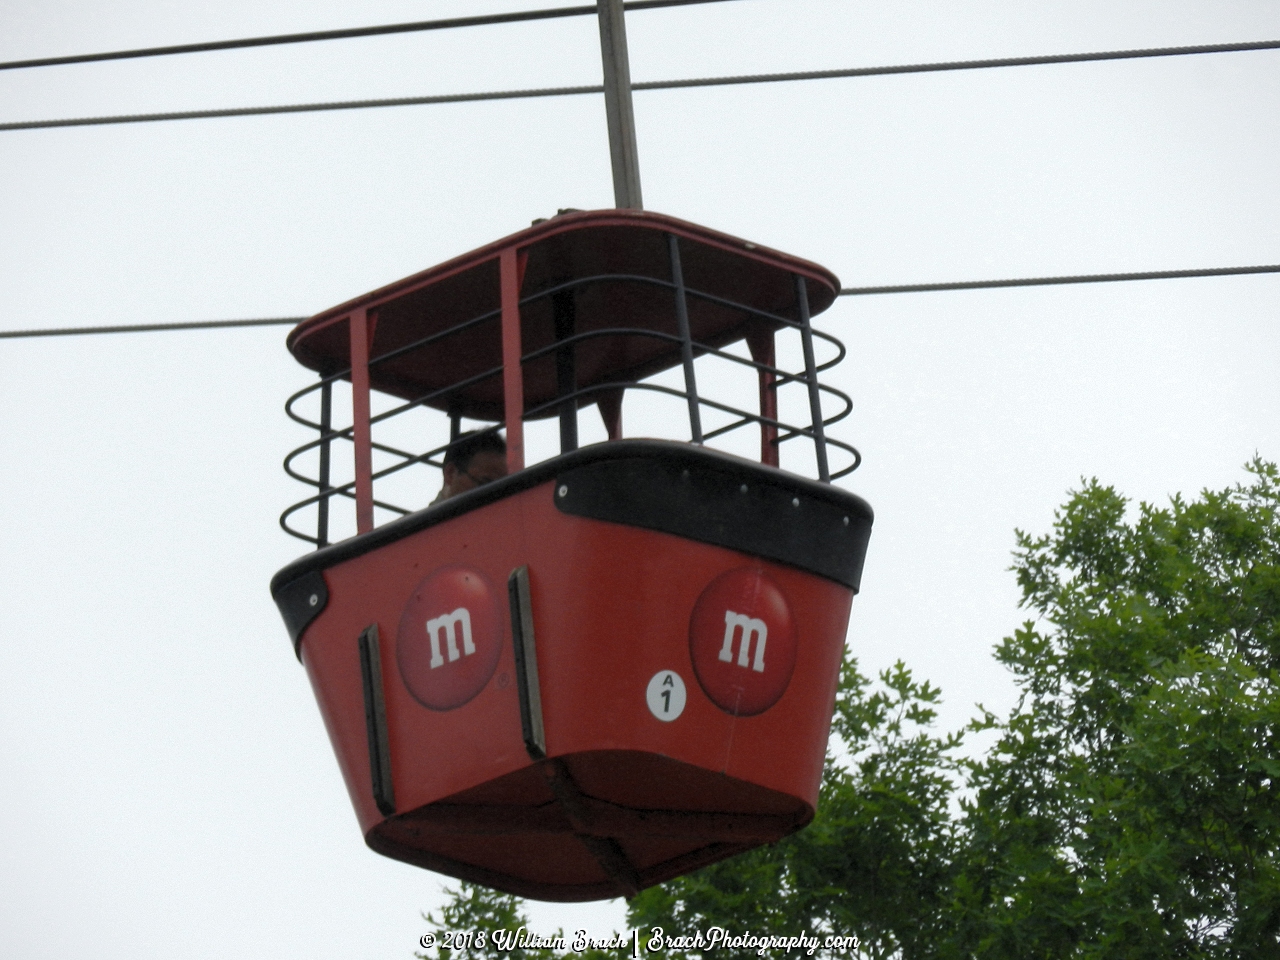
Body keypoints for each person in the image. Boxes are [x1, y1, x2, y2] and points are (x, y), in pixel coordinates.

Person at [431, 430, 508, 505]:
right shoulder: (427, 518)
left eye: (501, 489)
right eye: (485, 485)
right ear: (451, 473)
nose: (495, 497)